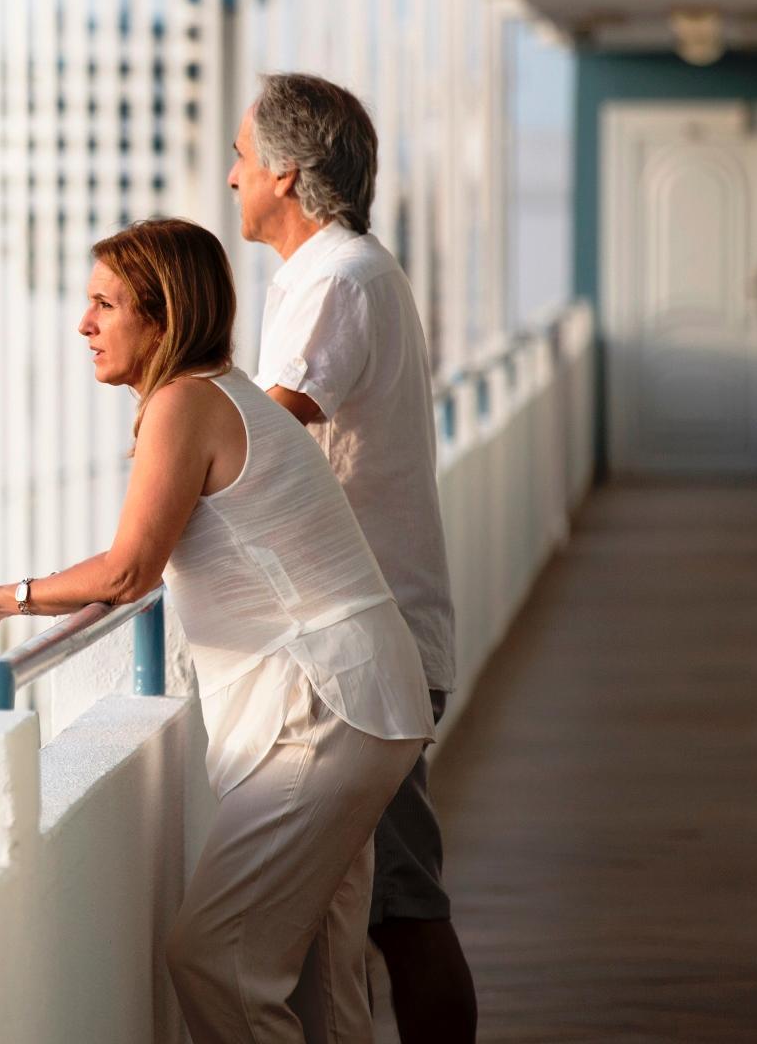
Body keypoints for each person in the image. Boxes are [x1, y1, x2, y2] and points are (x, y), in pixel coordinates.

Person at [0, 217, 433, 1042]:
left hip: (321, 710)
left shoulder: (185, 402)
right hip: (361, 697)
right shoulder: (226, 394)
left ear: (162, 317)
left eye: (104, 304)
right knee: (325, 971)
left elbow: (130, 572)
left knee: (213, 958)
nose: (84, 324)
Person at [229, 73, 478, 1043]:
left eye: (245, 159)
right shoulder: (341, 272)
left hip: (377, 649)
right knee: (375, 905)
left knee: (402, 905)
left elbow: (267, 438)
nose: (232, 175)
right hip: (371, 639)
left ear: (286, 175)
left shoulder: (335, 278)